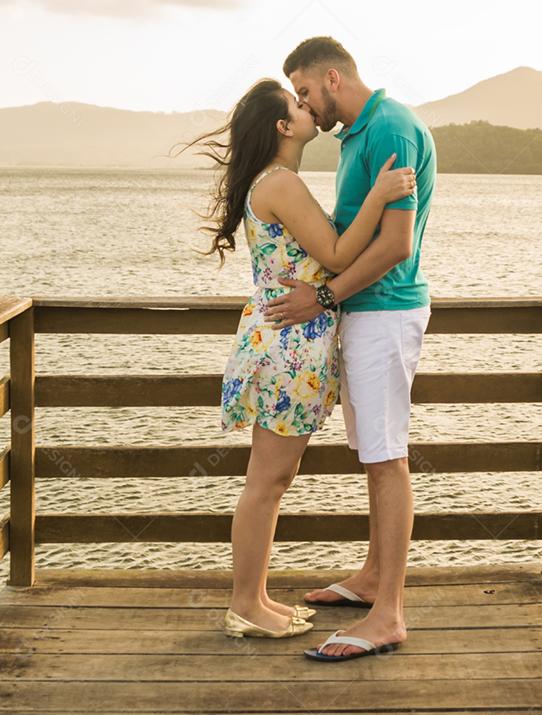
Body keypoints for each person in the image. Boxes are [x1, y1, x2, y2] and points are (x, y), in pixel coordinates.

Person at [184, 78, 416, 639]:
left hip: (289, 342)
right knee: (267, 480)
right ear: (283, 128)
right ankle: (245, 604)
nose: (307, 106)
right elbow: (336, 254)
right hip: (287, 347)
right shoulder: (281, 183)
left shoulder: (276, 182)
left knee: (273, 477)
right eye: (296, 104)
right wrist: (381, 197)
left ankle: (256, 598)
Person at [266, 36, 437, 661]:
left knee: (387, 456)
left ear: (332, 78)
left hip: (385, 312)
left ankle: (388, 613)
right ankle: (372, 577)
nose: (307, 106)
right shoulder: (357, 136)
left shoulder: (390, 126)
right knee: (371, 451)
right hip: (363, 313)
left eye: (307, 92)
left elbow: (396, 246)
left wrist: (325, 298)